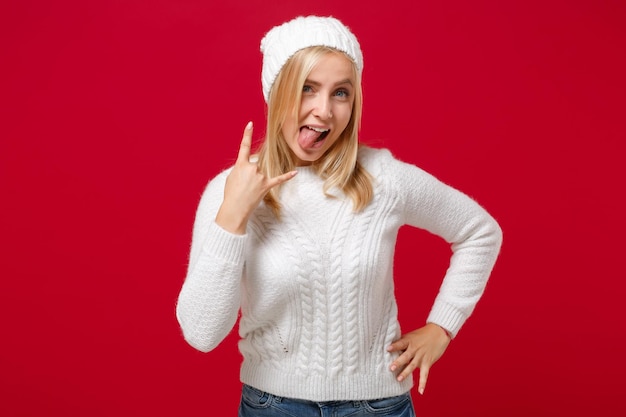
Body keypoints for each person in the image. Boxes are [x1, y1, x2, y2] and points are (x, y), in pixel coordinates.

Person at [176, 15, 502, 417]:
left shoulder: (384, 179)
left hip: (378, 405)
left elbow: (479, 232)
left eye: (341, 93)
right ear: (276, 92)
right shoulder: (229, 191)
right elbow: (201, 334)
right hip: (273, 407)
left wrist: (442, 327)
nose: (323, 111)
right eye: (307, 88)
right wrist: (233, 216)